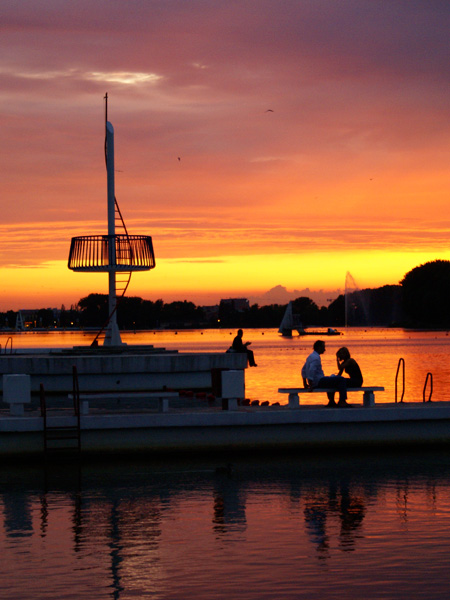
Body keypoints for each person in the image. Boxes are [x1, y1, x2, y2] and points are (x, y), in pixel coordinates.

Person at [301, 340, 349, 407]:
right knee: (341, 379)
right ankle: (342, 401)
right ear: (318, 347)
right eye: (323, 347)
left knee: (332, 378)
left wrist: (305, 383)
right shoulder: (316, 358)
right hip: (319, 381)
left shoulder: (310, 356)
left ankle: (331, 401)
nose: (325, 349)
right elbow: (312, 370)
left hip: (318, 381)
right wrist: (311, 383)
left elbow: (303, 370)